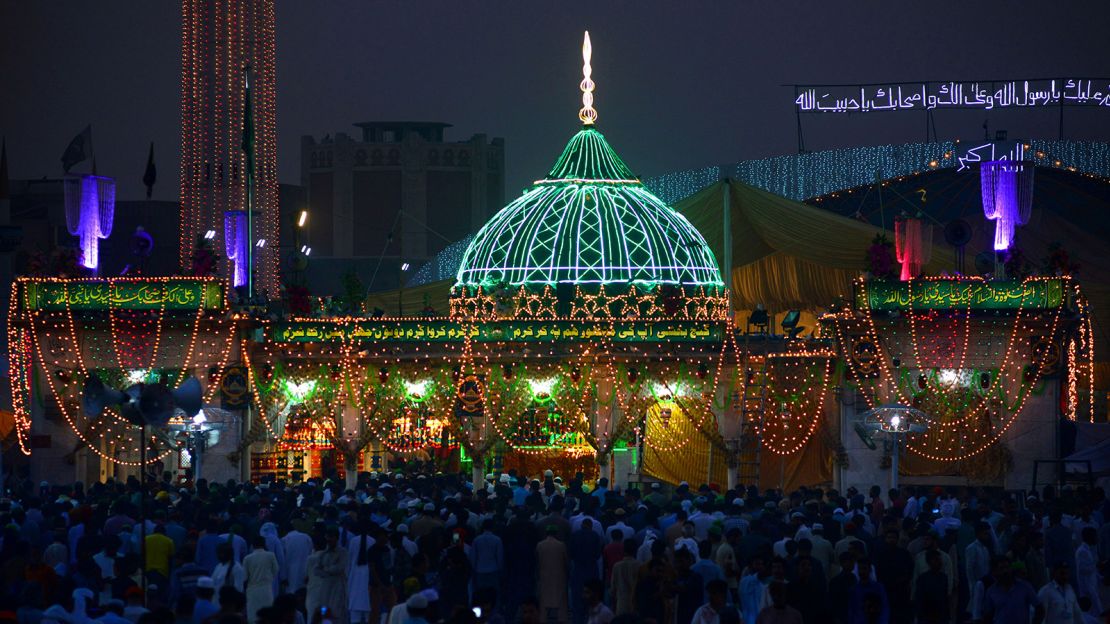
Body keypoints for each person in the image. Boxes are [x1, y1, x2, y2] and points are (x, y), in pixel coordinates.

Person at [981, 557, 1042, 624]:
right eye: (1001, 568)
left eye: (1007, 567)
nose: (1005, 571)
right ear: (995, 572)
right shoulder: (991, 591)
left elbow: (1039, 608)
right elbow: (987, 616)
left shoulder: (1024, 586)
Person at [307, 529, 347, 624]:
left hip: (338, 587)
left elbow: (340, 568)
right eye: (328, 538)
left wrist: (326, 570)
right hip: (325, 588)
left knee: (337, 613)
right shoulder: (323, 554)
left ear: (336, 538)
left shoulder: (342, 552)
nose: (329, 541)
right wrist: (328, 571)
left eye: (331, 538)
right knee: (324, 611)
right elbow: (316, 570)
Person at [535, 525, 570, 624]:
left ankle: (543, 618)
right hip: (559, 575)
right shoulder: (561, 545)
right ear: (556, 533)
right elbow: (566, 561)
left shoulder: (539, 545)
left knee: (544, 598)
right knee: (561, 598)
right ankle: (562, 618)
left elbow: (537, 561)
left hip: (544, 575)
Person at [242, 535, 279, 624]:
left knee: (253, 616)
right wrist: (268, 578)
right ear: (264, 544)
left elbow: (245, 577)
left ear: (253, 545)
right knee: (267, 615)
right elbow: (276, 570)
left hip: (252, 590)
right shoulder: (271, 555)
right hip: (267, 589)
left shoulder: (247, 558)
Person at [912, 550, 948, 624]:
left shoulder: (944, 578)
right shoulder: (922, 579)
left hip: (941, 617)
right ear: (929, 562)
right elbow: (919, 600)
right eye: (937, 560)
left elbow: (945, 599)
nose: (940, 563)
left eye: (940, 560)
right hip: (926, 617)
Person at [280, 521, 313, 595]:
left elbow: (282, 559)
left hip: (290, 573)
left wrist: (283, 577)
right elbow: (311, 554)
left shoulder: (284, 540)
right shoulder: (306, 537)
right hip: (305, 571)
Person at [608, 539, 639, 616]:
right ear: (635, 550)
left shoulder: (617, 566)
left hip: (621, 605)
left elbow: (613, 589)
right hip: (635, 606)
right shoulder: (639, 565)